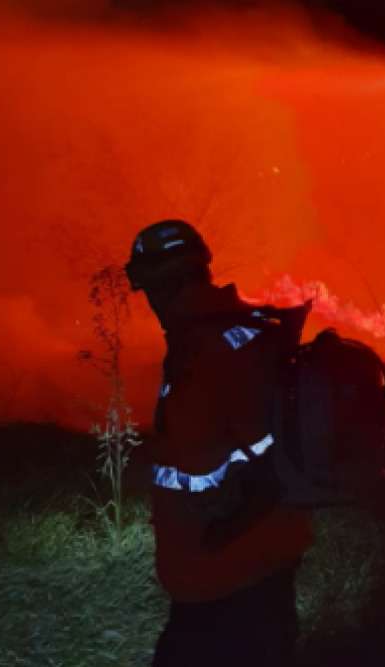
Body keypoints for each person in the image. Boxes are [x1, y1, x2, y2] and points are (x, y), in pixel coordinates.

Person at [124, 220, 312, 666]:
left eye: (148, 289)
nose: (149, 303)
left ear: (166, 284)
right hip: (240, 571)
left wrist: (211, 532)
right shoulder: (229, 335)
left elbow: (248, 462)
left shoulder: (213, 353)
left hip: (228, 583)